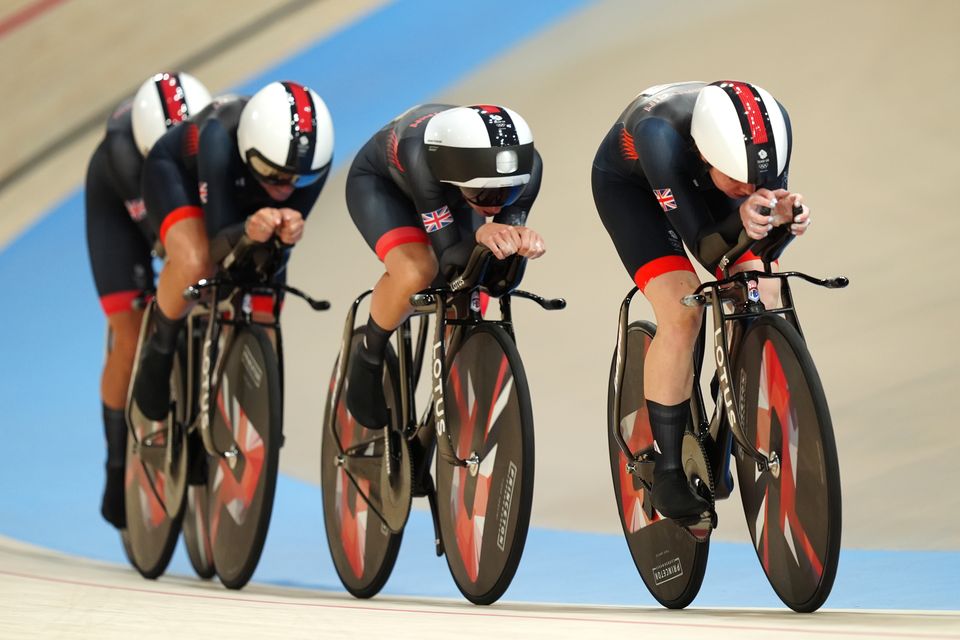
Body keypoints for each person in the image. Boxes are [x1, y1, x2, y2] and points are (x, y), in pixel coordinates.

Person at [592, 81, 812, 520]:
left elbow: (758, 245)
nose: (753, 186)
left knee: (761, 287)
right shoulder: (658, 136)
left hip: (704, 181)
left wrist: (784, 222)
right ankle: (668, 468)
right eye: (742, 180)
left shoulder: (772, 127)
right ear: (708, 155)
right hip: (633, 191)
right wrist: (747, 223)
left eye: (760, 180)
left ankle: (732, 387)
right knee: (682, 309)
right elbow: (708, 248)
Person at [130, 81, 333, 428]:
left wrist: (285, 234)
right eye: (275, 175)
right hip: (180, 178)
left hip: (243, 197)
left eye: (299, 181)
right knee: (197, 264)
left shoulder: (314, 165)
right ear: (249, 151)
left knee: (266, 299)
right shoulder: (217, 137)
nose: (286, 189)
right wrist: (246, 230)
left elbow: (275, 255)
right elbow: (216, 243)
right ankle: (160, 348)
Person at [345, 104, 546, 428]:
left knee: (471, 287)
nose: (495, 202)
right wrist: (482, 231)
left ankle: (452, 405)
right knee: (419, 271)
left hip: (451, 191)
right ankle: (368, 358)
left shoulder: (529, 168)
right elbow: (449, 256)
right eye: (482, 190)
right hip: (383, 188)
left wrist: (518, 245)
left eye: (507, 191)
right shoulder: (420, 155)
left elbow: (499, 283)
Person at [85, 72, 212, 528]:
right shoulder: (124, 151)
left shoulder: (206, 132)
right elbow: (164, 242)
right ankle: (116, 464)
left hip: (172, 184)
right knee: (132, 328)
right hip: (120, 209)